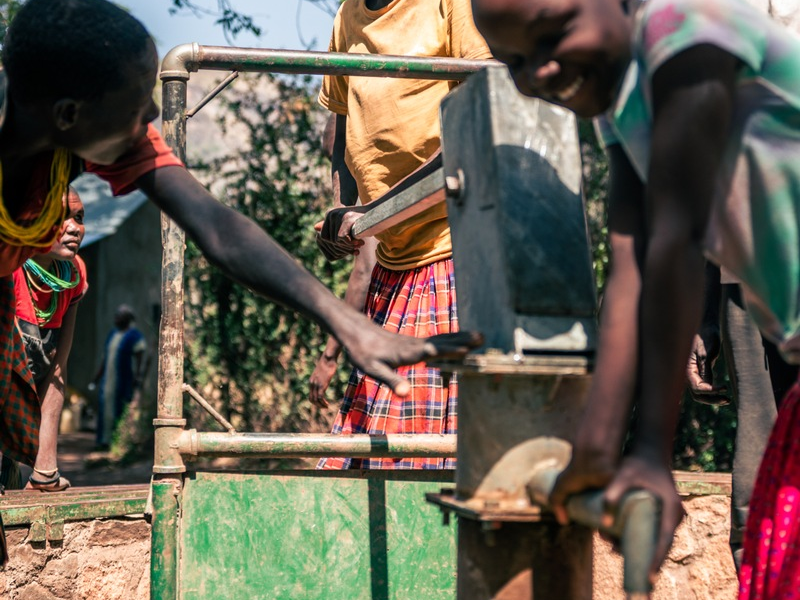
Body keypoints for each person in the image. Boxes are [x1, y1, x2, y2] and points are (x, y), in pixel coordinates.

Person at [0, 0, 480, 483]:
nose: (148, 115)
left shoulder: (101, 131)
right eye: (134, 106)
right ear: (67, 115)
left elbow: (218, 227)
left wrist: (344, 323)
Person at [471, 0, 800, 593]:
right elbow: (632, 258)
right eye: (513, 60)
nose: (538, 72)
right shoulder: (622, 92)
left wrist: (652, 450)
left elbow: (675, 236)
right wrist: (599, 450)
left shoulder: (686, 27)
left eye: (554, 33)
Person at [313, 0, 492, 469]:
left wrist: (373, 213)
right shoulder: (346, 17)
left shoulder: (447, 5)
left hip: (456, 253)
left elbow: (482, 115)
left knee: (439, 458)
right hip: (393, 266)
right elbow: (343, 135)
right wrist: (343, 212)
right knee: (373, 455)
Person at [11, 187, 87, 491]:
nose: (73, 227)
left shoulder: (74, 275)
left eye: (79, 217)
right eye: (60, 218)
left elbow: (57, 369)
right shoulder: (8, 269)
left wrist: (45, 469)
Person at [92, 305, 149, 450]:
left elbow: (140, 355)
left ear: (127, 318)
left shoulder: (133, 335)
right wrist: (97, 378)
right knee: (105, 408)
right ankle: (103, 441)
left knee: (120, 408)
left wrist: (138, 376)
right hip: (107, 380)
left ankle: (118, 443)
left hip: (122, 380)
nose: (116, 319)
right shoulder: (113, 334)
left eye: (119, 316)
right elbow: (105, 359)